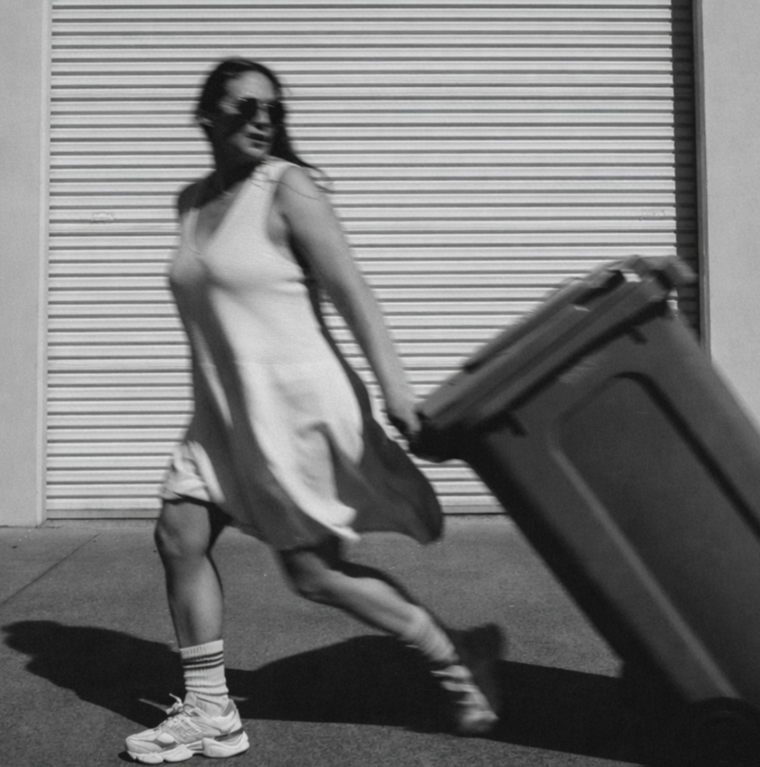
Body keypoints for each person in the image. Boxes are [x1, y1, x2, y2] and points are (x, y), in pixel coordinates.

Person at [125, 58, 502, 763]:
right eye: (242, 107)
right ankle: (211, 709)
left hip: (294, 410)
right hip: (220, 415)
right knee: (179, 536)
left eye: (272, 107)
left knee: (314, 575)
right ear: (206, 116)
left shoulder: (288, 188)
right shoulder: (190, 201)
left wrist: (395, 392)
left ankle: (457, 655)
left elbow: (351, 289)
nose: (261, 118)